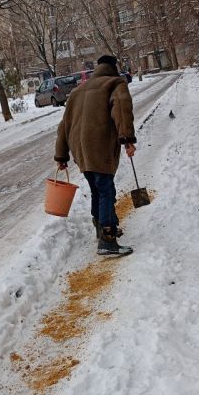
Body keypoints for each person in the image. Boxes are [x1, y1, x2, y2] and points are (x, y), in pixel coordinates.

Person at [54, 54, 137, 256]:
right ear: (113, 67)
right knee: (106, 191)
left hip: (80, 150)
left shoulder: (77, 91)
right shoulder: (115, 83)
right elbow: (122, 110)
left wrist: (61, 156)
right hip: (100, 146)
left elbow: (64, 125)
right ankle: (108, 239)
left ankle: (101, 229)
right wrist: (127, 140)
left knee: (97, 190)